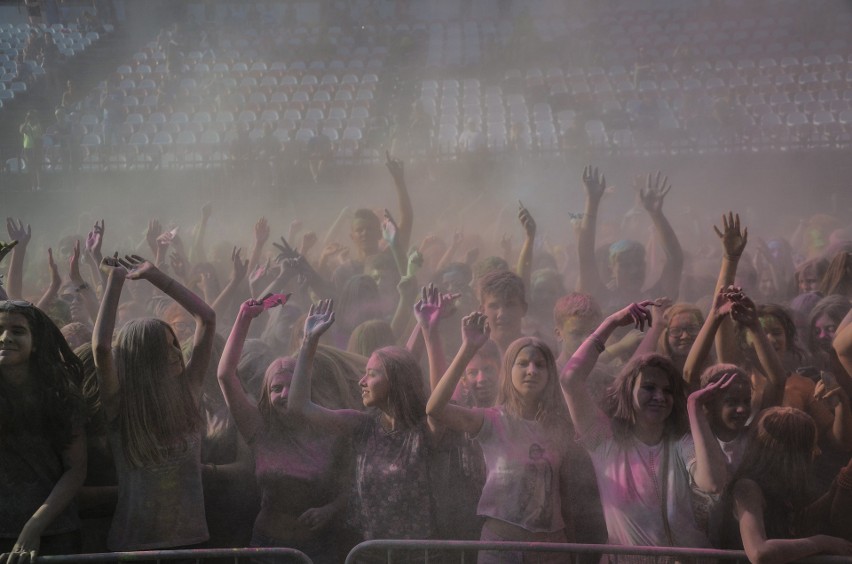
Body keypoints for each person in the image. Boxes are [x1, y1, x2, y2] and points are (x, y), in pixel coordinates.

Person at [560, 301, 727, 559]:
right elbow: (570, 379)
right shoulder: (605, 443)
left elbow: (714, 483)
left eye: (668, 391)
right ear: (629, 391)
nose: (660, 396)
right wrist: (612, 322)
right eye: (649, 388)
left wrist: (694, 407)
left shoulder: (681, 444)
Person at [427, 309, 579, 563]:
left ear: (550, 375)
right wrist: (467, 348)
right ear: (508, 371)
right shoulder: (492, 420)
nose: (531, 370)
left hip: (551, 548)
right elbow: (435, 408)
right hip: (502, 547)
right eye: (523, 363)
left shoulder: (561, 426)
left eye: (540, 365)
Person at [287, 300, 440, 549]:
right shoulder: (363, 426)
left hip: (419, 556)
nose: (361, 381)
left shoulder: (424, 429)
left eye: (371, 374)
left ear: (396, 381)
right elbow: (299, 406)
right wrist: (308, 343)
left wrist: (428, 332)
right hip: (369, 553)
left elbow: (439, 403)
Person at [217, 295, 353, 564]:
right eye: (276, 388)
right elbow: (225, 375)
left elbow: (355, 482)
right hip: (267, 546)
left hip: (317, 547)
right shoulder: (259, 428)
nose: (284, 394)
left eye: (291, 386)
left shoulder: (329, 427)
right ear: (266, 395)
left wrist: (331, 510)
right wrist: (244, 317)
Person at [93, 254, 216, 551]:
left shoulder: (187, 392)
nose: (177, 353)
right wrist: (115, 281)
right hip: (133, 547)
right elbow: (101, 347)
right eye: (165, 349)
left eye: (175, 344)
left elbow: (207, 319)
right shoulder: (120, 407)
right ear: (142, 359)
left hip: (191, 543)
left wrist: (156, 276)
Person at [0, 301, 86, 563]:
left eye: (17, 330)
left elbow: (76, 469)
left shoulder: (62, 397)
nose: (5, 338)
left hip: (54, 531)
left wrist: (34, 527)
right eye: (0, 329)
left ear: (36, 342)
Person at [712, 407, 852, 563]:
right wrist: (821, 542)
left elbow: (796, 524)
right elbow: (759, 553)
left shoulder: (779, 487)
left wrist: (838, 486)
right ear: (790, 453)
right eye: (810, 446)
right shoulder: (748, 488)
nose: (817, 452)